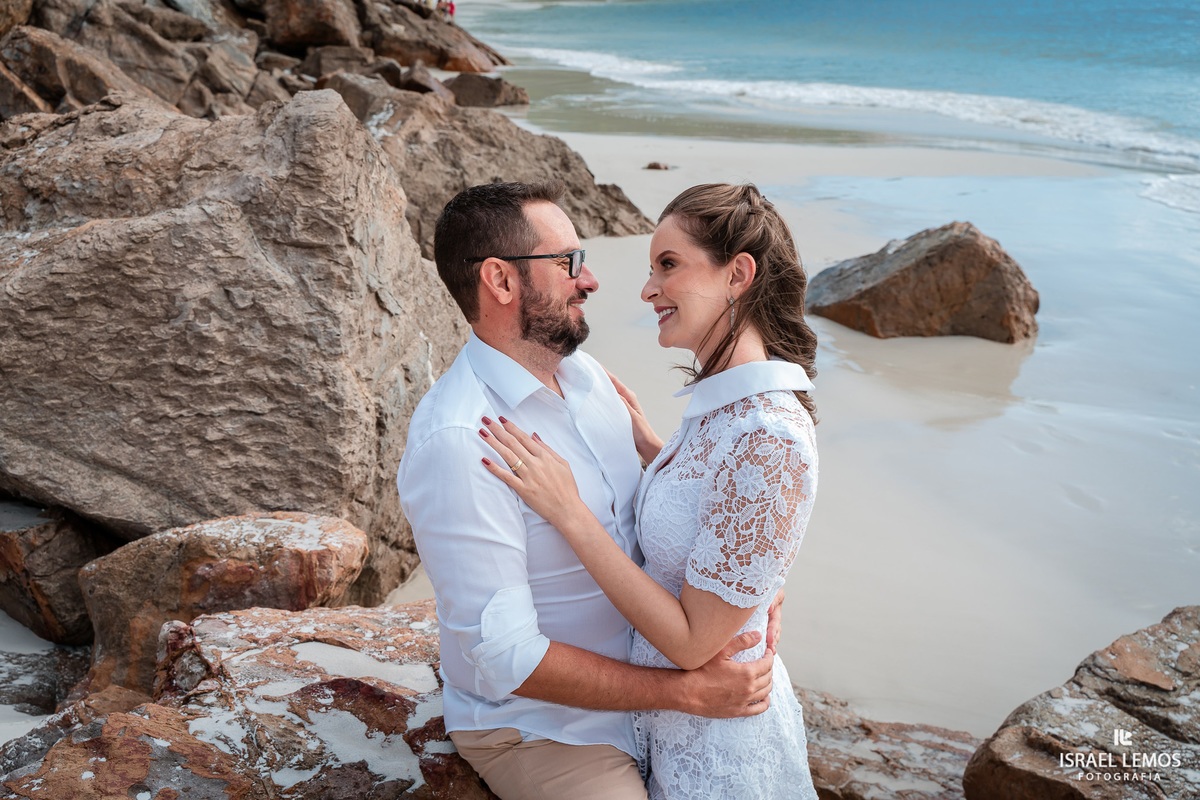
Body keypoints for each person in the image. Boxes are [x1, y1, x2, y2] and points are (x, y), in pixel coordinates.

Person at [396, 181, 783, 800]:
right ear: (501, 281)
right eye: (568, 262)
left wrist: (748, 590)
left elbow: (673, 516)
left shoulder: (590, 380)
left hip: (665, 673)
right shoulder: (460, 439)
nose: (592, 280)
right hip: (549, 730)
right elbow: (507, 658)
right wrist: (684, 693)